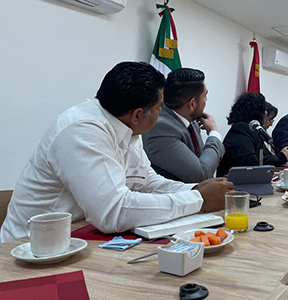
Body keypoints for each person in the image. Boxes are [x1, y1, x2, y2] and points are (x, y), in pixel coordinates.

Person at [0, 62, 233, 243]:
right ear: (138, 114)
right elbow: (114, 212)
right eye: (160, 107)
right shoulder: (83, 130)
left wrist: (196, 189)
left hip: (76, 235)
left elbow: (146, 182)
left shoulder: (127, 127)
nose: (163, 112)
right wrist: (199, 199)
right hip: (28, 249)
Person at [142, 68, 224, 183]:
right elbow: (201, 174)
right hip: (173, 198)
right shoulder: (160, 128)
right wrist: (214, 133)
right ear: (192, 104)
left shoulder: (191, 122)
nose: (206, 100)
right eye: (205, 96)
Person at [216, 92, 288, 177]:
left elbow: (265, 156)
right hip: (234, 184)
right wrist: (281, 157)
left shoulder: (254, 130)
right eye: (264, 111)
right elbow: (250, 161)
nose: (265, 114)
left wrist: (286, 152)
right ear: (256, 112)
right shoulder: (240, 129)